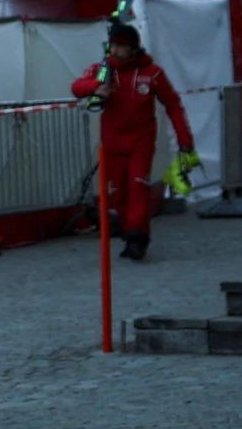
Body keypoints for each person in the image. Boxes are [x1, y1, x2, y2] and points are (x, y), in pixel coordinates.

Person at [72, 21, 192, 262]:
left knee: (138, 187)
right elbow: (77, 86)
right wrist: (96, 87)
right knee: (118, 193)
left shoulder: (152, 73)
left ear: (133, 49)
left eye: (120, 46)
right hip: (112, 143)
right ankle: (130, 233)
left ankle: (138, 237)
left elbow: (173, 106)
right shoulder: (104, 71)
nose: (115, 51)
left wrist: (184, 140)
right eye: (112, 45)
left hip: (140, 141)